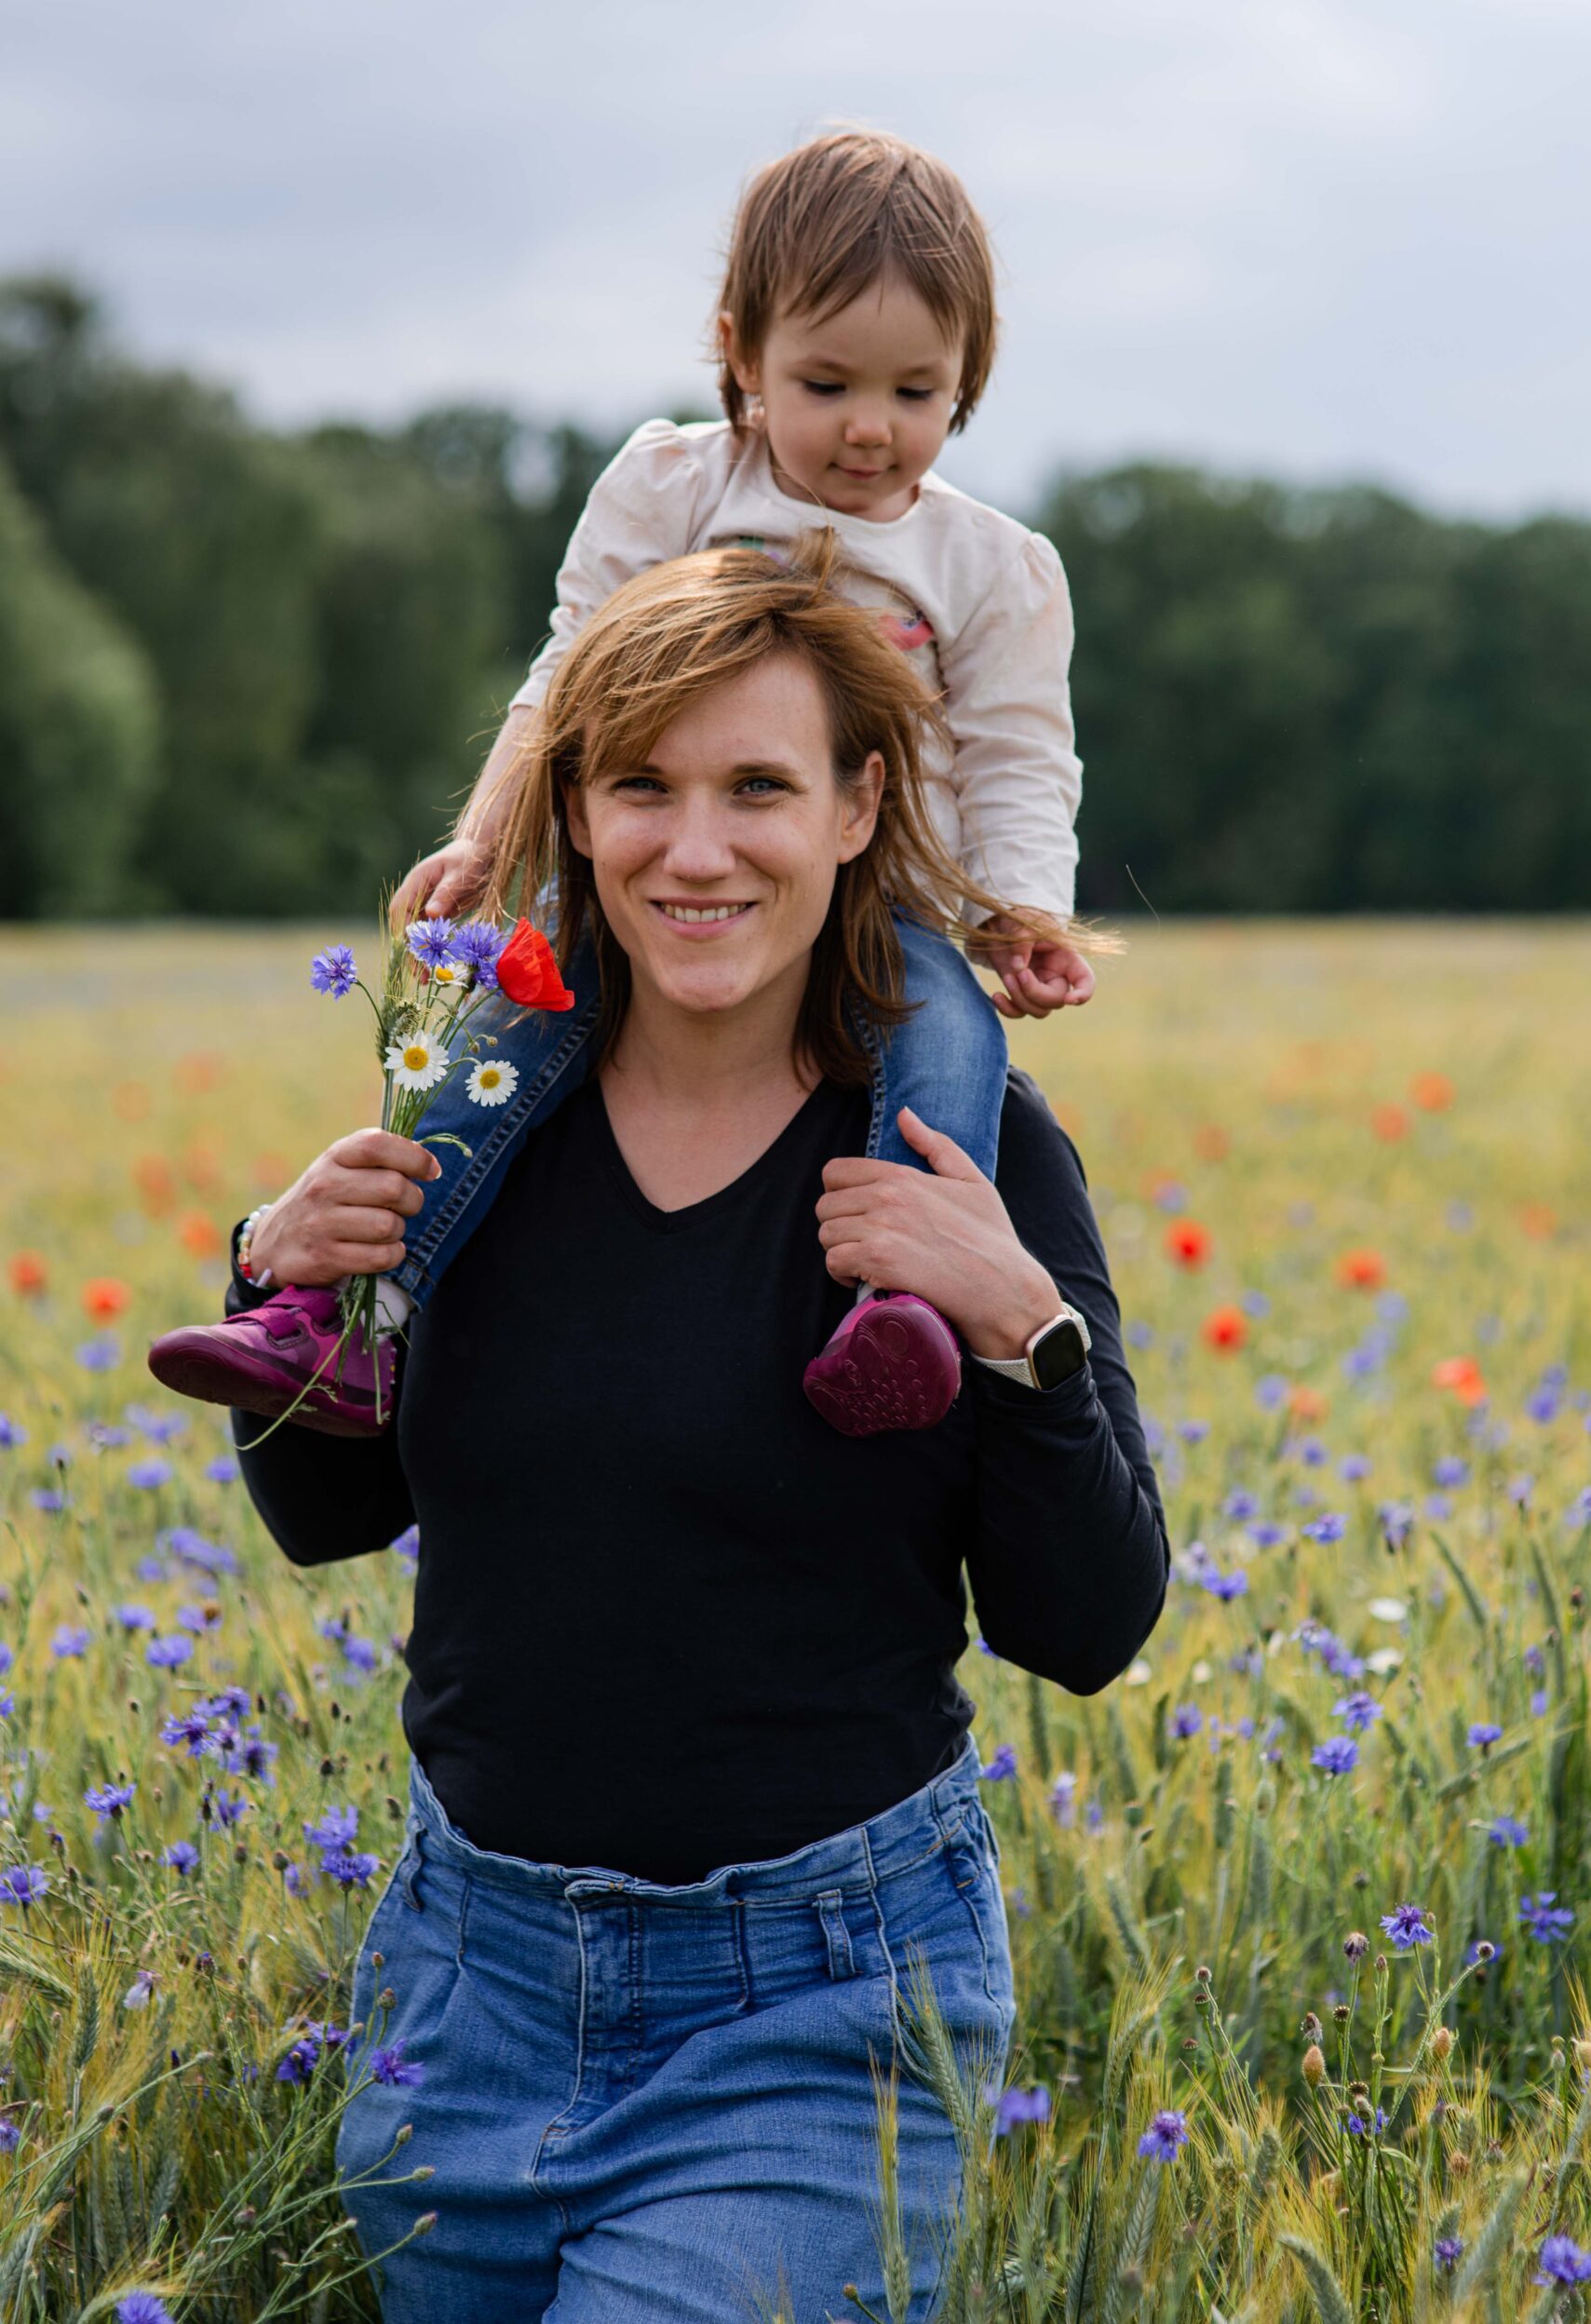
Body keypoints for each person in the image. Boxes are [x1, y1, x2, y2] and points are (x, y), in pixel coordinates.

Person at [225, 544, 1167, 2323]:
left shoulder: (964, 1152)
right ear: (574, 811)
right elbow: (327, 1513)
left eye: (758, 788)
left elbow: (1088, 1624)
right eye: (642, 787)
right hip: (463, 1998)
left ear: (855, 804)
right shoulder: (477, 1125)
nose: (698, 848)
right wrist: (288, 1276)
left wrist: (1017, 1326)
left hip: (817, 2013)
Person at [150, 128, 1104, 1442]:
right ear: (740, 355)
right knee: (497, 1049)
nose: (871, 430)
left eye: (919, 393)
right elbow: (561, 680)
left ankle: (899, 1311)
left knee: (950, 1041)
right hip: (628, 905)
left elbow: (1015, 752)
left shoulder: (990, 568)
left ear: (967, 386)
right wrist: (488, 841)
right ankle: (349, 1319)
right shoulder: (672, 489)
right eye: (824, 382)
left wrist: (1017, 911)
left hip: (881, 905)